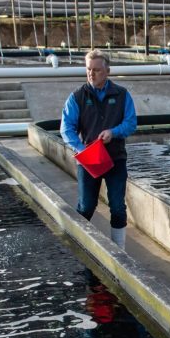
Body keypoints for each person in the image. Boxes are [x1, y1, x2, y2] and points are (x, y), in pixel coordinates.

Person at [60, 49, 138, 248]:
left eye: (96, 70)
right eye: (88, 69)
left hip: (115, 159)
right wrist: (80, 149)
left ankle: (119, 251)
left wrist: (113, 132)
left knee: (118, 207)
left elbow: (131, 123)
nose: (91, 74)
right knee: (86, 206)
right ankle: (78, 245)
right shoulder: (77, 97)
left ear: (107, 71)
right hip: (89, 161)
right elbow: (66, 127)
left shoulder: (122, 95)